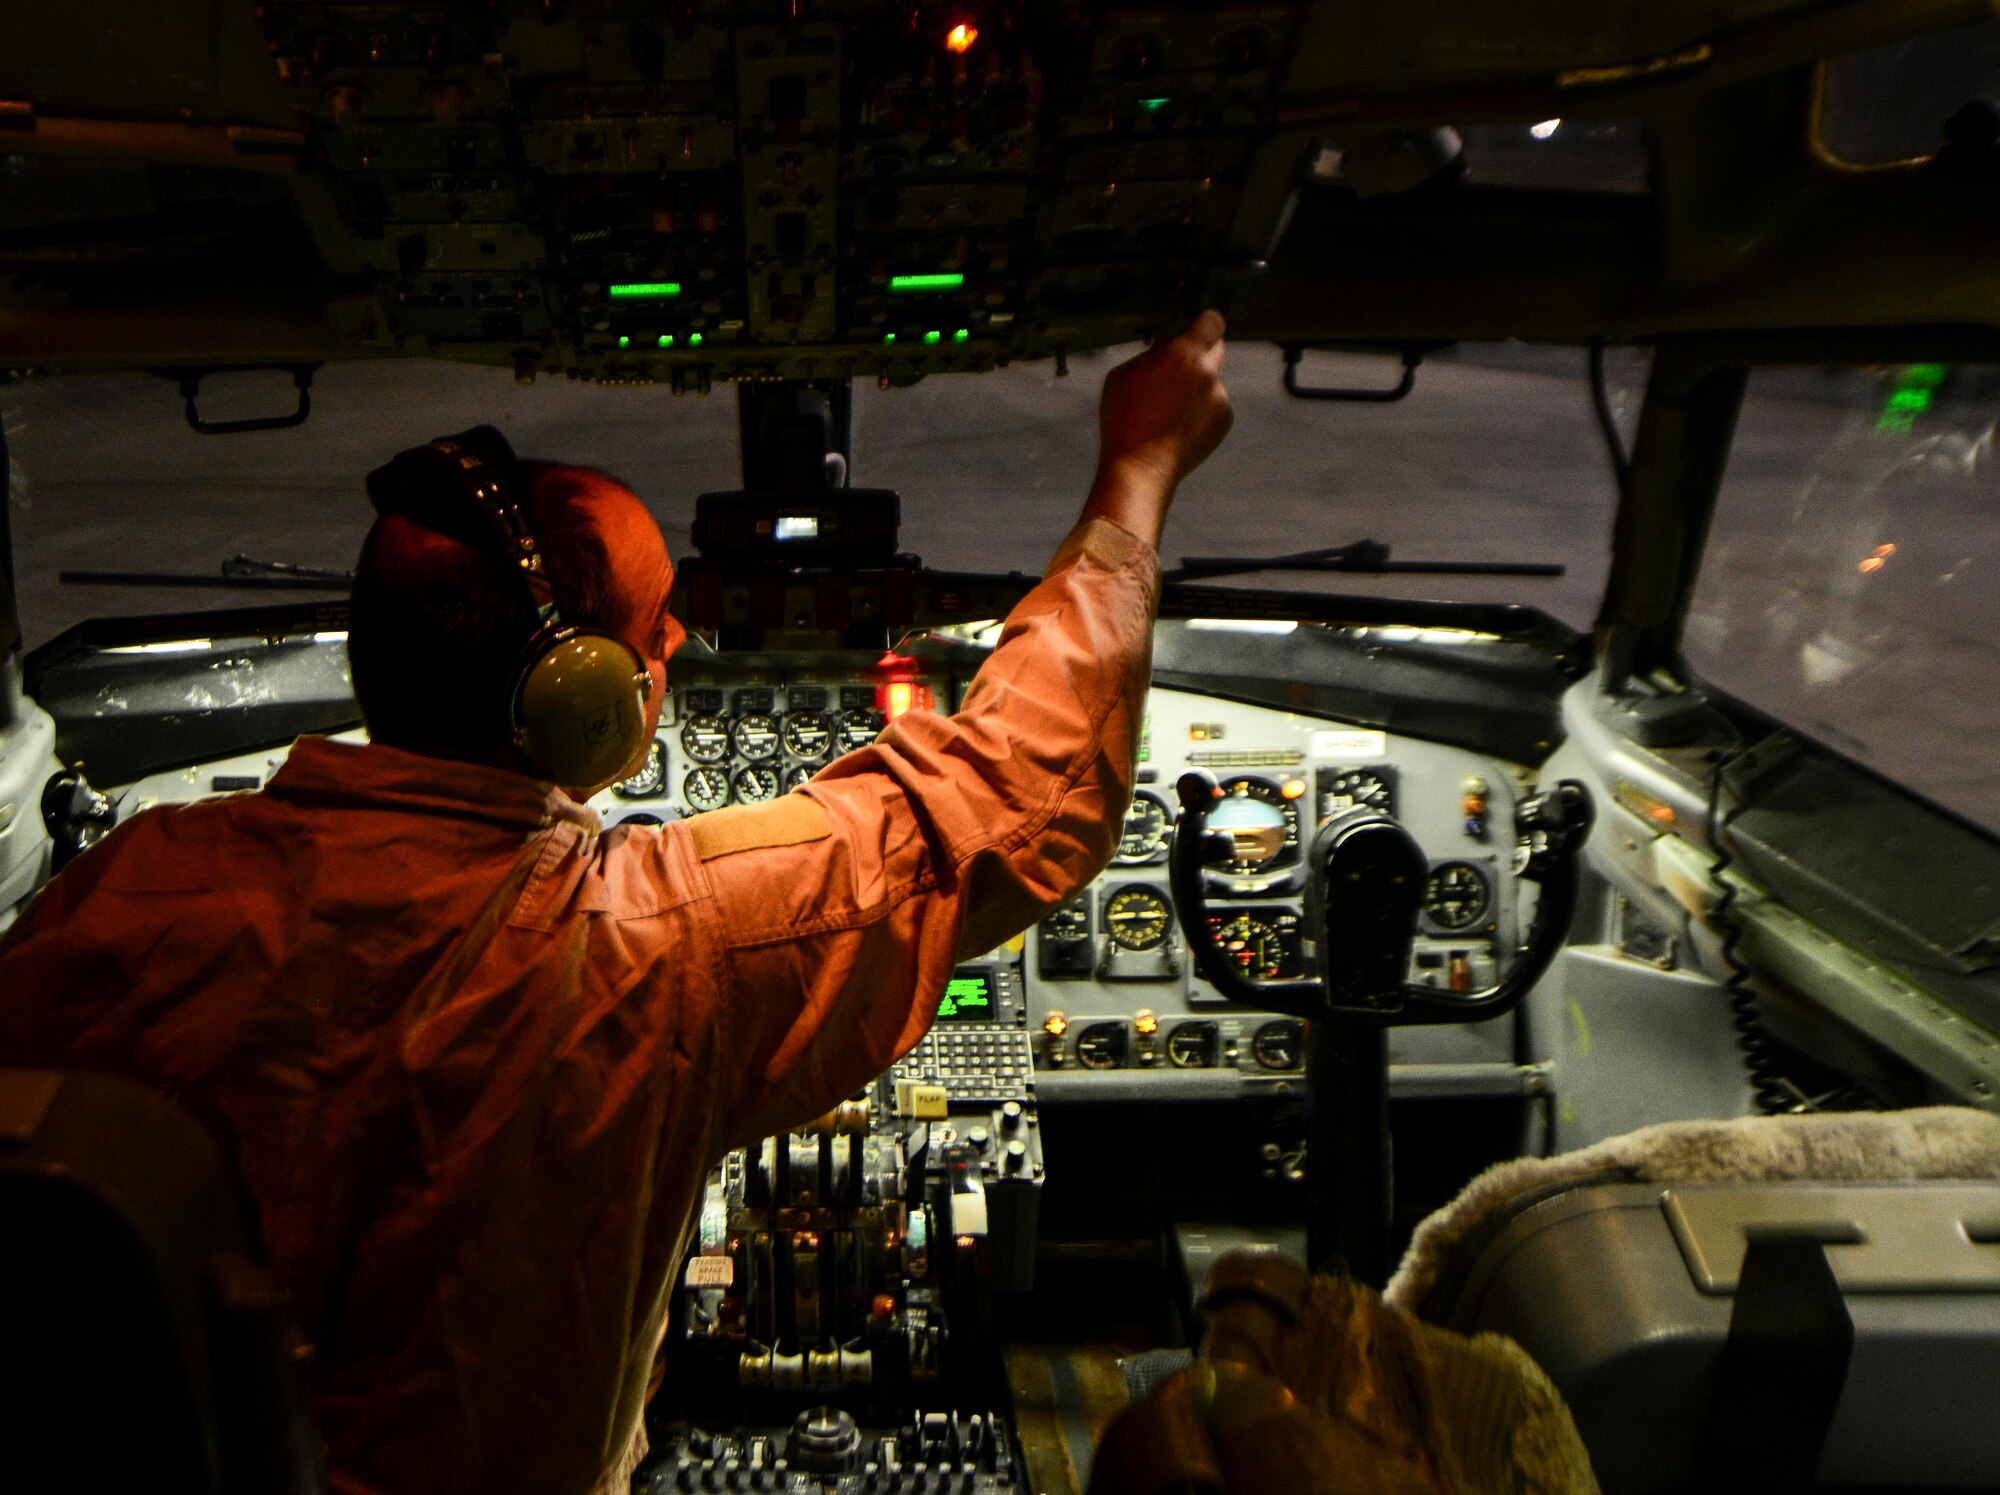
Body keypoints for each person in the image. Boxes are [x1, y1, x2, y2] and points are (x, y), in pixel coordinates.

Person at [0, 312, 1233, 1495]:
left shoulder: (129, 891)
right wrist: (1138, 467)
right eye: (658, 632)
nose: (678, 644)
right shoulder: (654, 946)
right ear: (583, 705)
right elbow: (1024, 787)